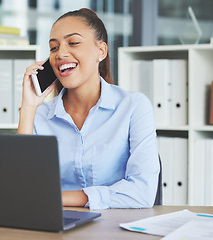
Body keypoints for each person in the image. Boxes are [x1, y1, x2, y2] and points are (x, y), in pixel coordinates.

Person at [17, 8, 159, 210]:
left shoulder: (134, 107)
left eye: (73, 43)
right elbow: (19, 187)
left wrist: (57, 197)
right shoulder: (39, 116)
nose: (61, 53)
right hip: (53, 227)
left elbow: (142, 193)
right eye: (54, 48)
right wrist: (29, 107)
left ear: (101, 51)